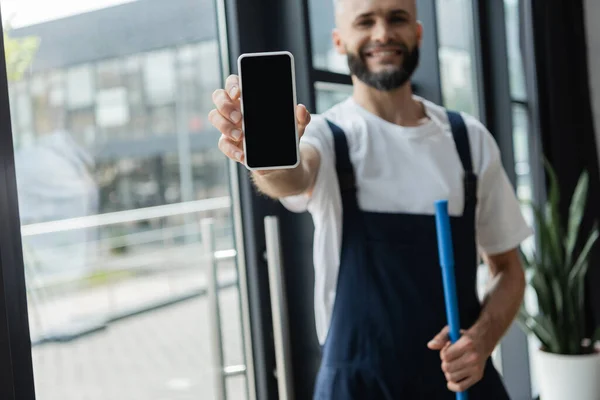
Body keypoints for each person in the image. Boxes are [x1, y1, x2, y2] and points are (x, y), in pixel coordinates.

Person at [209, 0, 531, 397]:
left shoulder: (469, 139)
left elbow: (508, 269)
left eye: (397, 18)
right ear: (339, 40)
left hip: (460, 384)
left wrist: (482, 341)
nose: (382, 33)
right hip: (355, 387)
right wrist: (261, 157)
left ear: (418, 32)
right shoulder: (326, 136)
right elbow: (293, 176)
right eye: (365, 21)